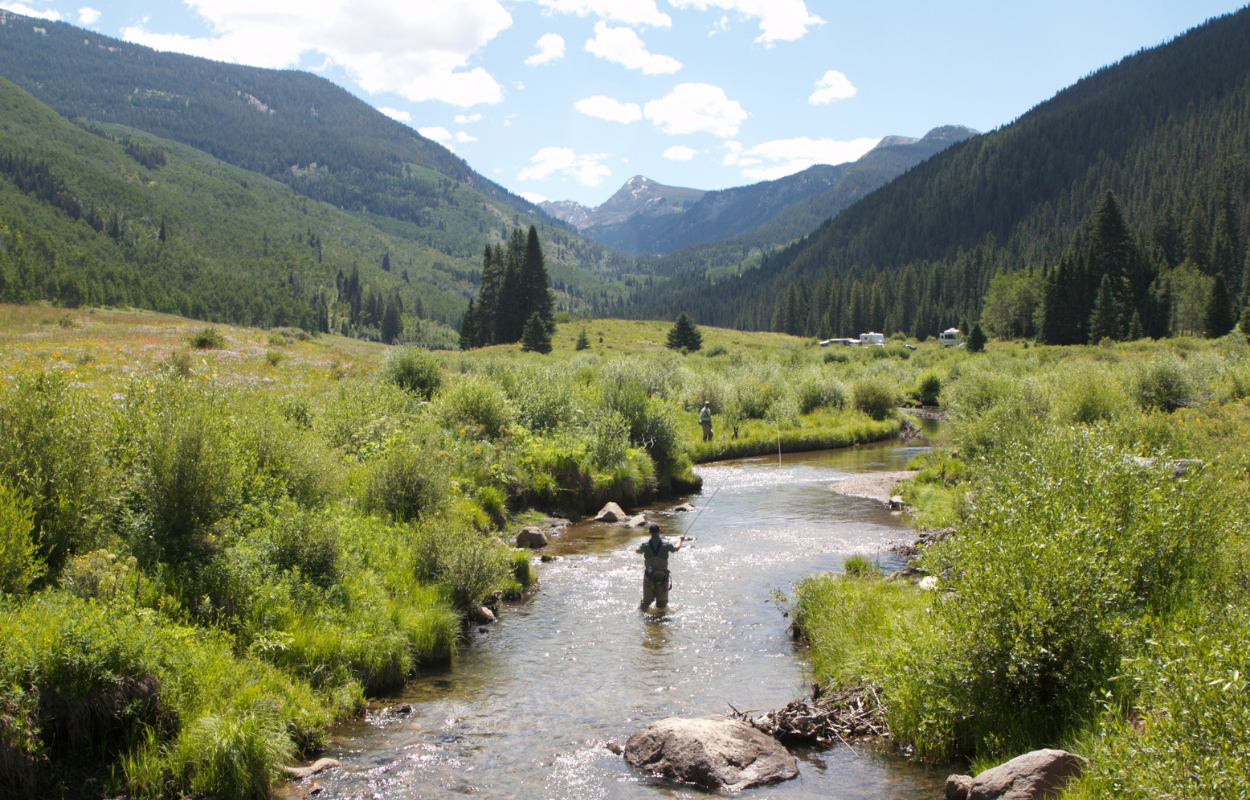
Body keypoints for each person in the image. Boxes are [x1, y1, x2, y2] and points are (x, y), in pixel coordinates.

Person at [636, 523, 685, 611]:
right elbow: (676, 548)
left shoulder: (645, 544)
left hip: (649, 575)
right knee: (662, 603)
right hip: (662, 576)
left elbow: (638, 551)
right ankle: (660, 620)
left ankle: (643, 620)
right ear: (660, 531)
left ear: (649, 532)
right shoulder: (666, 544)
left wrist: (636, 548)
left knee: (645, 602)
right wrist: (680, 540)